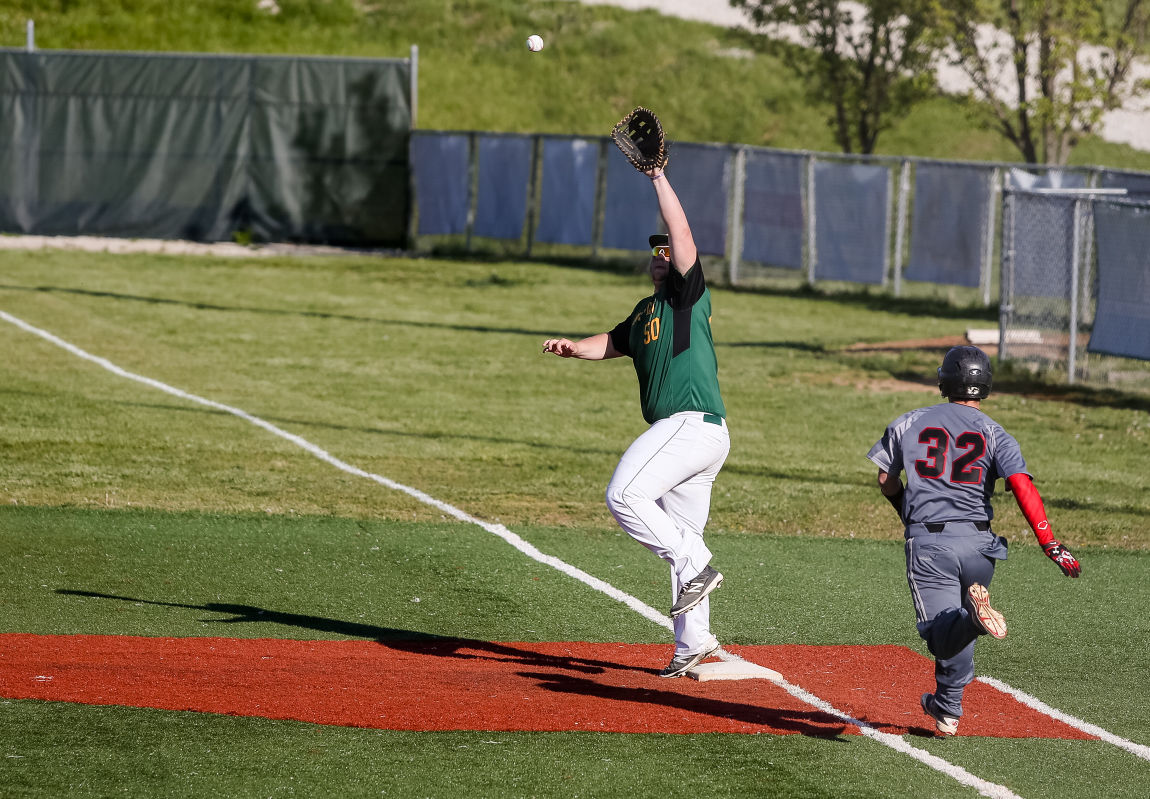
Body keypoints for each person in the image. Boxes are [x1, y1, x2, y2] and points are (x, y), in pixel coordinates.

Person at [542, 164, 730, 679]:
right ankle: (694, 643)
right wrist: (573, 348)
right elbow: (613, 342)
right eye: (656, 252)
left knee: (624, 495)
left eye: (667, 251)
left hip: (690, 425)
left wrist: (658, 176)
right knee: (683, 533)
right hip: (702, 436)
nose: (661, 257)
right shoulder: (647, 311)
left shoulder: (686, 299)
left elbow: (683, 232)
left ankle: (697, 567)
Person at [866, 345, 1081, 736]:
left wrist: (906, 509)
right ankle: (947, 709)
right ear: (985, 385)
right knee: (958, 624)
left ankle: (973, 619)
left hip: (931, 545)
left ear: (944, 380)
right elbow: (1021, 486)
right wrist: (1050, 543)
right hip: (981, 546)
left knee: (943, 631)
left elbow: (886, 479)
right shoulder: (997, 432)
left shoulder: (910, 420)